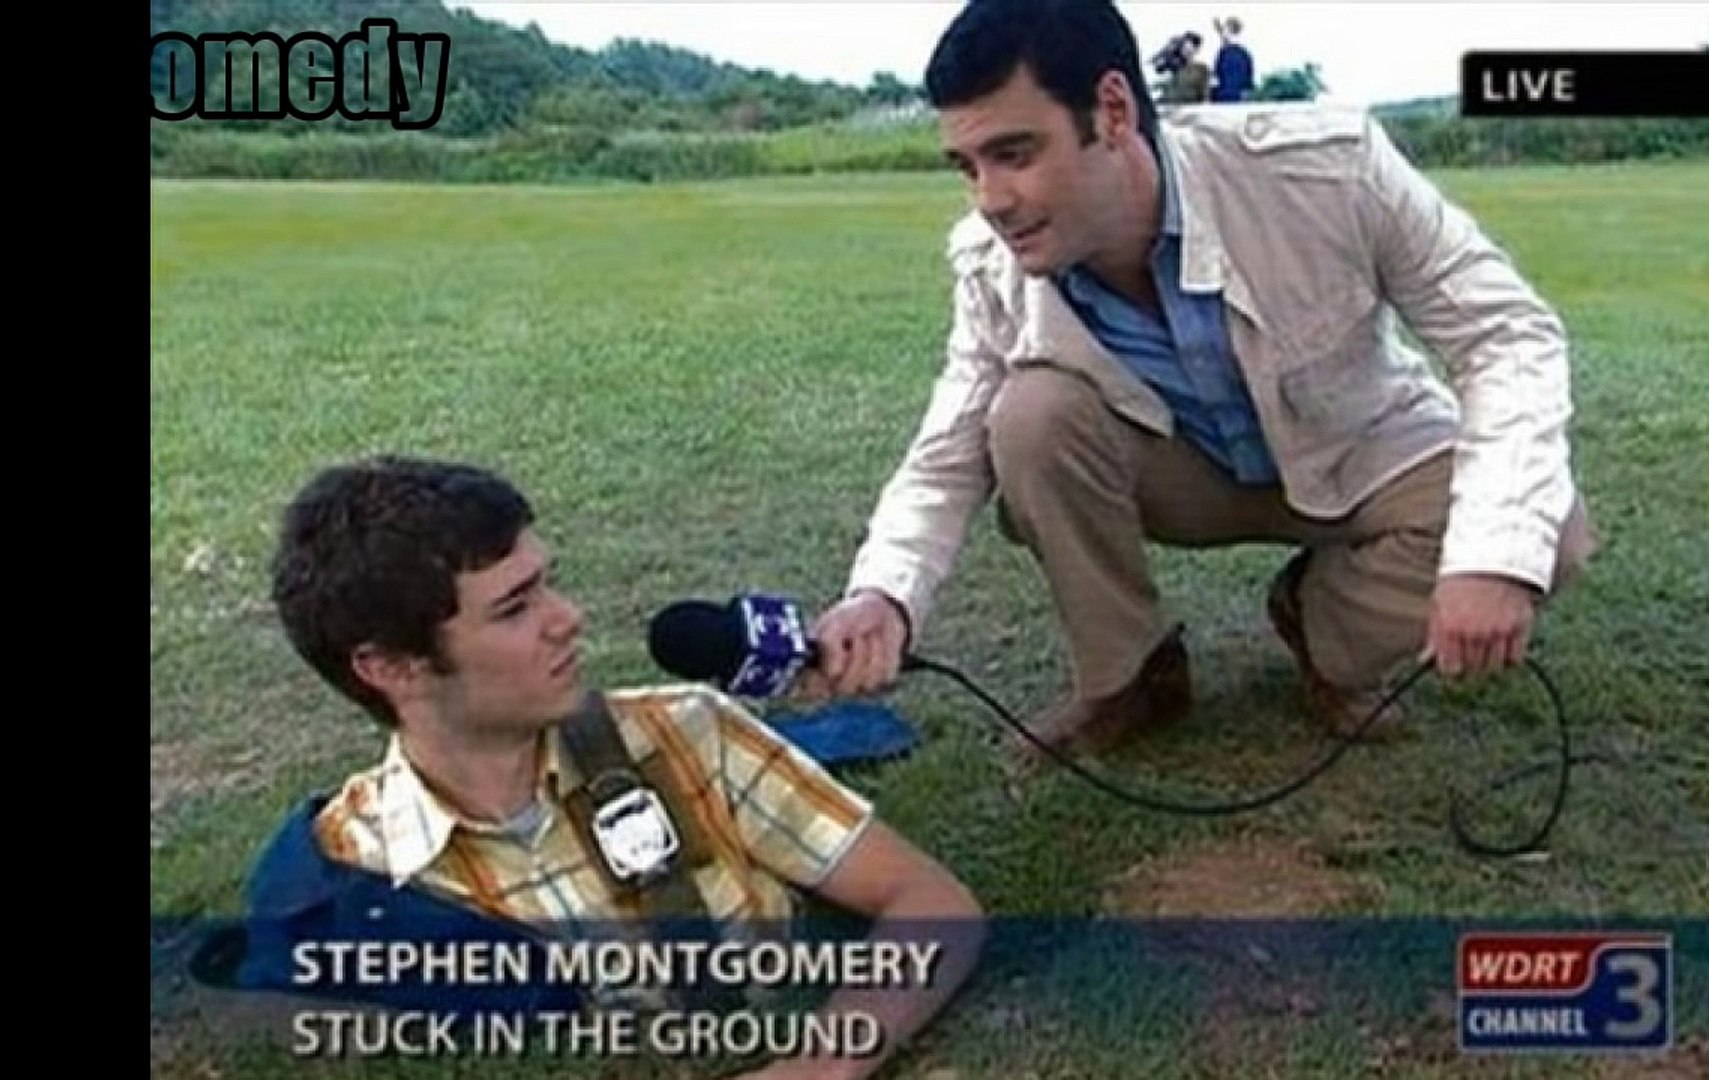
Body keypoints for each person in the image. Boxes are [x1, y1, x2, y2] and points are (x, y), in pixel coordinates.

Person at [805, 0, 1598, 756]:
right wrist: (884, 595)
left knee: (1541, 532)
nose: (990, 201)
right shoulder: (992, 266)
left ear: (1113, 112)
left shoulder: (1329, 168)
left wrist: (1490, 559)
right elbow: (946, 456)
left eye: (1015, 154)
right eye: (967, 166)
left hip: (1356, 448)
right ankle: (1132, 679)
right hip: (1182, 473)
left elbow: (1505, 332)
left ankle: (1322, 627)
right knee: (1029, 418)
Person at [216, 455, 983, 1080]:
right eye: (514, 607)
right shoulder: (349, 882)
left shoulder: (681, 734)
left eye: (544, 583)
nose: (567, 617)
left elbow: (933, 905)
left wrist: (819, 1068)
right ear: (390, 667)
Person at [1210, 16, 1255, 103]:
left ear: (1229, 30)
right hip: (1227, 97)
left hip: (1230, 97)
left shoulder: (1226, 53)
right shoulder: (1244, 54)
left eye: (1225, 29)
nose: (1223, 32)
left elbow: (1216, 76)